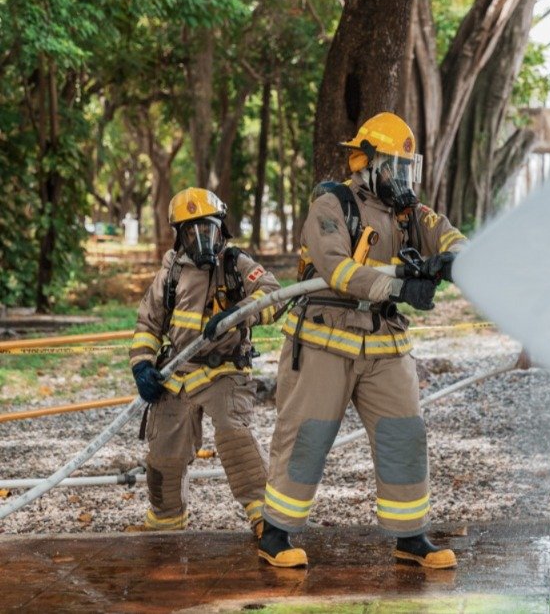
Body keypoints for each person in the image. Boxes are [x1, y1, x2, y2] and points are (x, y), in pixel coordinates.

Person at [258, 112, 467, 569]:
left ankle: (410, 537)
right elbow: (338, 270)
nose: (403, 178)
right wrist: (401, 288)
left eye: (408, 168)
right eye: (394, 167)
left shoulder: (410, 213)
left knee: (404, 434)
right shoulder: (331, 205)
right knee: (307, 436)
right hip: (324, 340)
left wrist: (452, 258)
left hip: (384, 343)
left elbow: (448, 234)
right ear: (364, 162)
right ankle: (275, 532)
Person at [128, 187, 281, 535]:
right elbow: (148, 323)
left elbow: (273, 294)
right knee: (163, 452)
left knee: (234, 437)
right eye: (191, 232)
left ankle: (266, 520)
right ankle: (165, 522)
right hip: (177, 373)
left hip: (223, 370)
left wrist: (237, 314)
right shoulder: (171, 272)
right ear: (179, 236)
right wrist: (142, 365)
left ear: (220, 228)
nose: (201, 239)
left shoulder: (235, 263)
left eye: (207, 229)